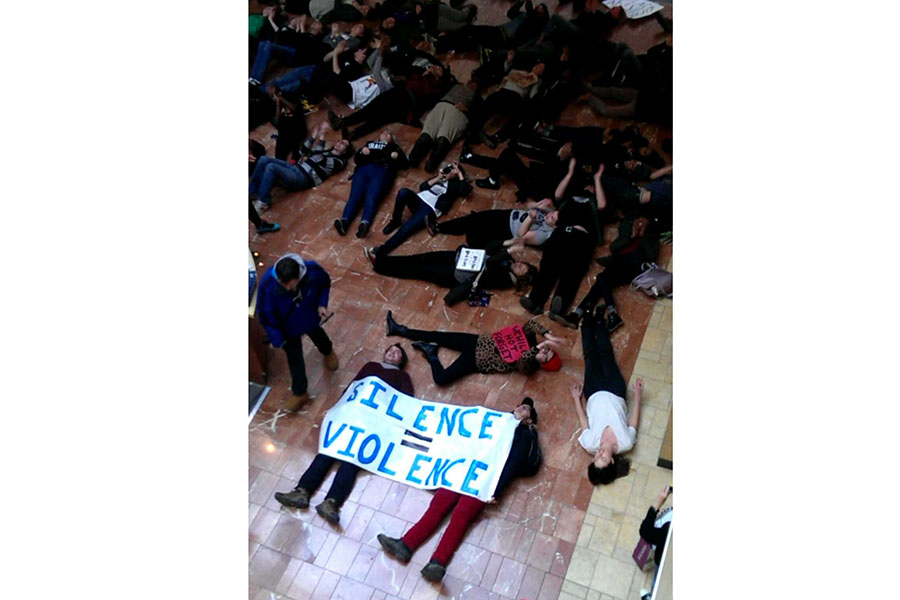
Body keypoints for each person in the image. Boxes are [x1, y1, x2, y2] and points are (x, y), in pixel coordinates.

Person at [377, 397, 541, 582]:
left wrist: (496, 489)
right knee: (437, 506)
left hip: (485, 479)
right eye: (519, 405)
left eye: (525, 409)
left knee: (461, 516)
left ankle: (438, 562)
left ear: (529, 420)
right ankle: (406, 544)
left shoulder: (525, 435)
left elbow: (514, 463)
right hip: (462, 469)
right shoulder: (496, 421)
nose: (520, 408)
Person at [272, 344, 413, 524]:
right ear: (384, 353)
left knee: (352, 461)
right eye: (390, 350)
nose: (393, 353)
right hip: (352, 416)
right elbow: (353, 387)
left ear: (402, 361)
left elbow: (407, 402)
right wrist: (339, 408)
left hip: (374, 424)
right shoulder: (370, 367)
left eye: (397, 353)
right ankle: (301, 491)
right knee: (327, 452)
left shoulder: (403, 377)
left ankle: (332, 502)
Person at [519, 161, 607, 319]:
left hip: (581, 238)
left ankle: (559, 306)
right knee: (548, 265)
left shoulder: (593, 204)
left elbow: (602, 205)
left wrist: (598, 179)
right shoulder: (568, 201)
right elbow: (558, 194)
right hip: (561, 234)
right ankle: (535, 300)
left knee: (573, 271)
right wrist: (570, 173)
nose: (587, 188)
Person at [385, 311, 563, 385]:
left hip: (477, 360)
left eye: (546, 355)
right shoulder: (532, 340)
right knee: (436, 335)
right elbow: (530, 324)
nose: (544, 351)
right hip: (477, 341)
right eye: (548, 350)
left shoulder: (530, 367)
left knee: (441, 379)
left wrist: (542, 344)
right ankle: (400, 329)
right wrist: (547, 334)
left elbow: (523, 358)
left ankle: (431, 354)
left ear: (542, 364)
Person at [256, 253, 339, 412]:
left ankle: (328, 351)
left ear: (299, 276)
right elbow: (266, 315)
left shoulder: (313, 271)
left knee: (319, 336)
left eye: (291, 284)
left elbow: (324, 284)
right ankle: (300, 393)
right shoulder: (268, 284)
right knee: (295, 361)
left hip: (309, 317)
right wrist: (277, 338)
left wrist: (322, 303)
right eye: (283, 284)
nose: (287, 288)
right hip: (287, 329)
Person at [569, 308, 642, 485]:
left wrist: (576, 399)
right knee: (606, 355)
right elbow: (633, 423)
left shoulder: (589, 444)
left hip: (593, 392)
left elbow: (583, 421)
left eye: (596, 458)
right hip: (616, 391)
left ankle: (587, 320)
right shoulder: (626, 443)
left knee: (590, 357)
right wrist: (638, 397)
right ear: (611, 461)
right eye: (603, 458)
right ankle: (600, 321)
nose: (599, 453)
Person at [557, 215, 660, 331]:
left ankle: (597, 314)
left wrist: (642, 237)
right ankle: (579, 316)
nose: (640, 225)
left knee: (601, 279)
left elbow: (651, 255)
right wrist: (631, 237)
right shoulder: (627, 231)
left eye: (643, 223)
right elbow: (614, 247)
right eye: (639, 222)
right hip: (618, 262)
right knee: (600, 284)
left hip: (633, 267)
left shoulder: (652, 238)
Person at [369, 240, 538, 305]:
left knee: (416, 270)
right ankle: (382, 259)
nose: (520, 266)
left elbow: (491, 262)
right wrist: (506, 244)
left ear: (521, 278)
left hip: (452, 274)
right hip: (456, 258)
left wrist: (508, 251)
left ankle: (380, 266)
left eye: (522, 270)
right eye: (523, 265)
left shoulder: (506, 279)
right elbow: (488, 249)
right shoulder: (507, 263)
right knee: (416, 258)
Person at [364, 162, 472, 260]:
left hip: (429, 209)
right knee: (403, 192)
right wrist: (439, 177)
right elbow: (423, 187)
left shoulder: (456, 186)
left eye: (452, 169)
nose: (449, 170)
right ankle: (395, 221)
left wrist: (459, 174)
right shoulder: (441, 179)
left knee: (406, 228)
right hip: (419, 199)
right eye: (449, 168)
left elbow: (466, 190)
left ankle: (382, 250)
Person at [249, 121, 352, 211]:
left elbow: (318, 158)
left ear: (345, 151)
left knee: (271, 167)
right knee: (263, 159)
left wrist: (322, 137)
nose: (339, 143)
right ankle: (252, 191)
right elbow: (302, 152)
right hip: (295, 169)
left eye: (343, 143)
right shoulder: (326, 152)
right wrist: (313, 136)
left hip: (303, 178)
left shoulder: (338, 162)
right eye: (340, 141)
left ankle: (263, 202)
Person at [334, 129, 408, 238]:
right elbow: (357, 159)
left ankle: (364, 223)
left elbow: (405, 164)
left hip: (382, 169)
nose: (385, 134)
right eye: (383, 132)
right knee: (355, 195)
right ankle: (344, 221)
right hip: (364, 169)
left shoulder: (394, 148)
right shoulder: (370, 144)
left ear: (392, 139)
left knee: (372, 196)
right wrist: (362, 151)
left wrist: (396, 156)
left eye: (389, 134)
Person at [408, 79, 482, 172]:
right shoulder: (455, 85)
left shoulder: (477, 98)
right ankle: (413, 158)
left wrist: (466, 109)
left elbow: (478, 117)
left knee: (443, 138)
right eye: (471, 82)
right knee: (427, 134)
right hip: (442, 105)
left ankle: (432, 164)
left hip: (458, 112)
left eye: (475, 84)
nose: (472, 85)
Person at [436, 200, 558, 248]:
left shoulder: (544, 234)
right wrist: (538, 205)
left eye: (551, 218)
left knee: (474, 231)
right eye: (551, 214)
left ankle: (439, 228)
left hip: (507, 229)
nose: (548, 215)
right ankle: (440, 227)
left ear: (555, 226)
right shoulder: (551, 213)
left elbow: (521, 236)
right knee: (475, 219)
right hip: (508, 214)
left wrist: (530, 219)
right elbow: (528, 205)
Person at [639, 485, 673, 600]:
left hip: (666, 562)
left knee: (659, 582)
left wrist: (657, 502)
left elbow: (645, 531)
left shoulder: (670, 531)